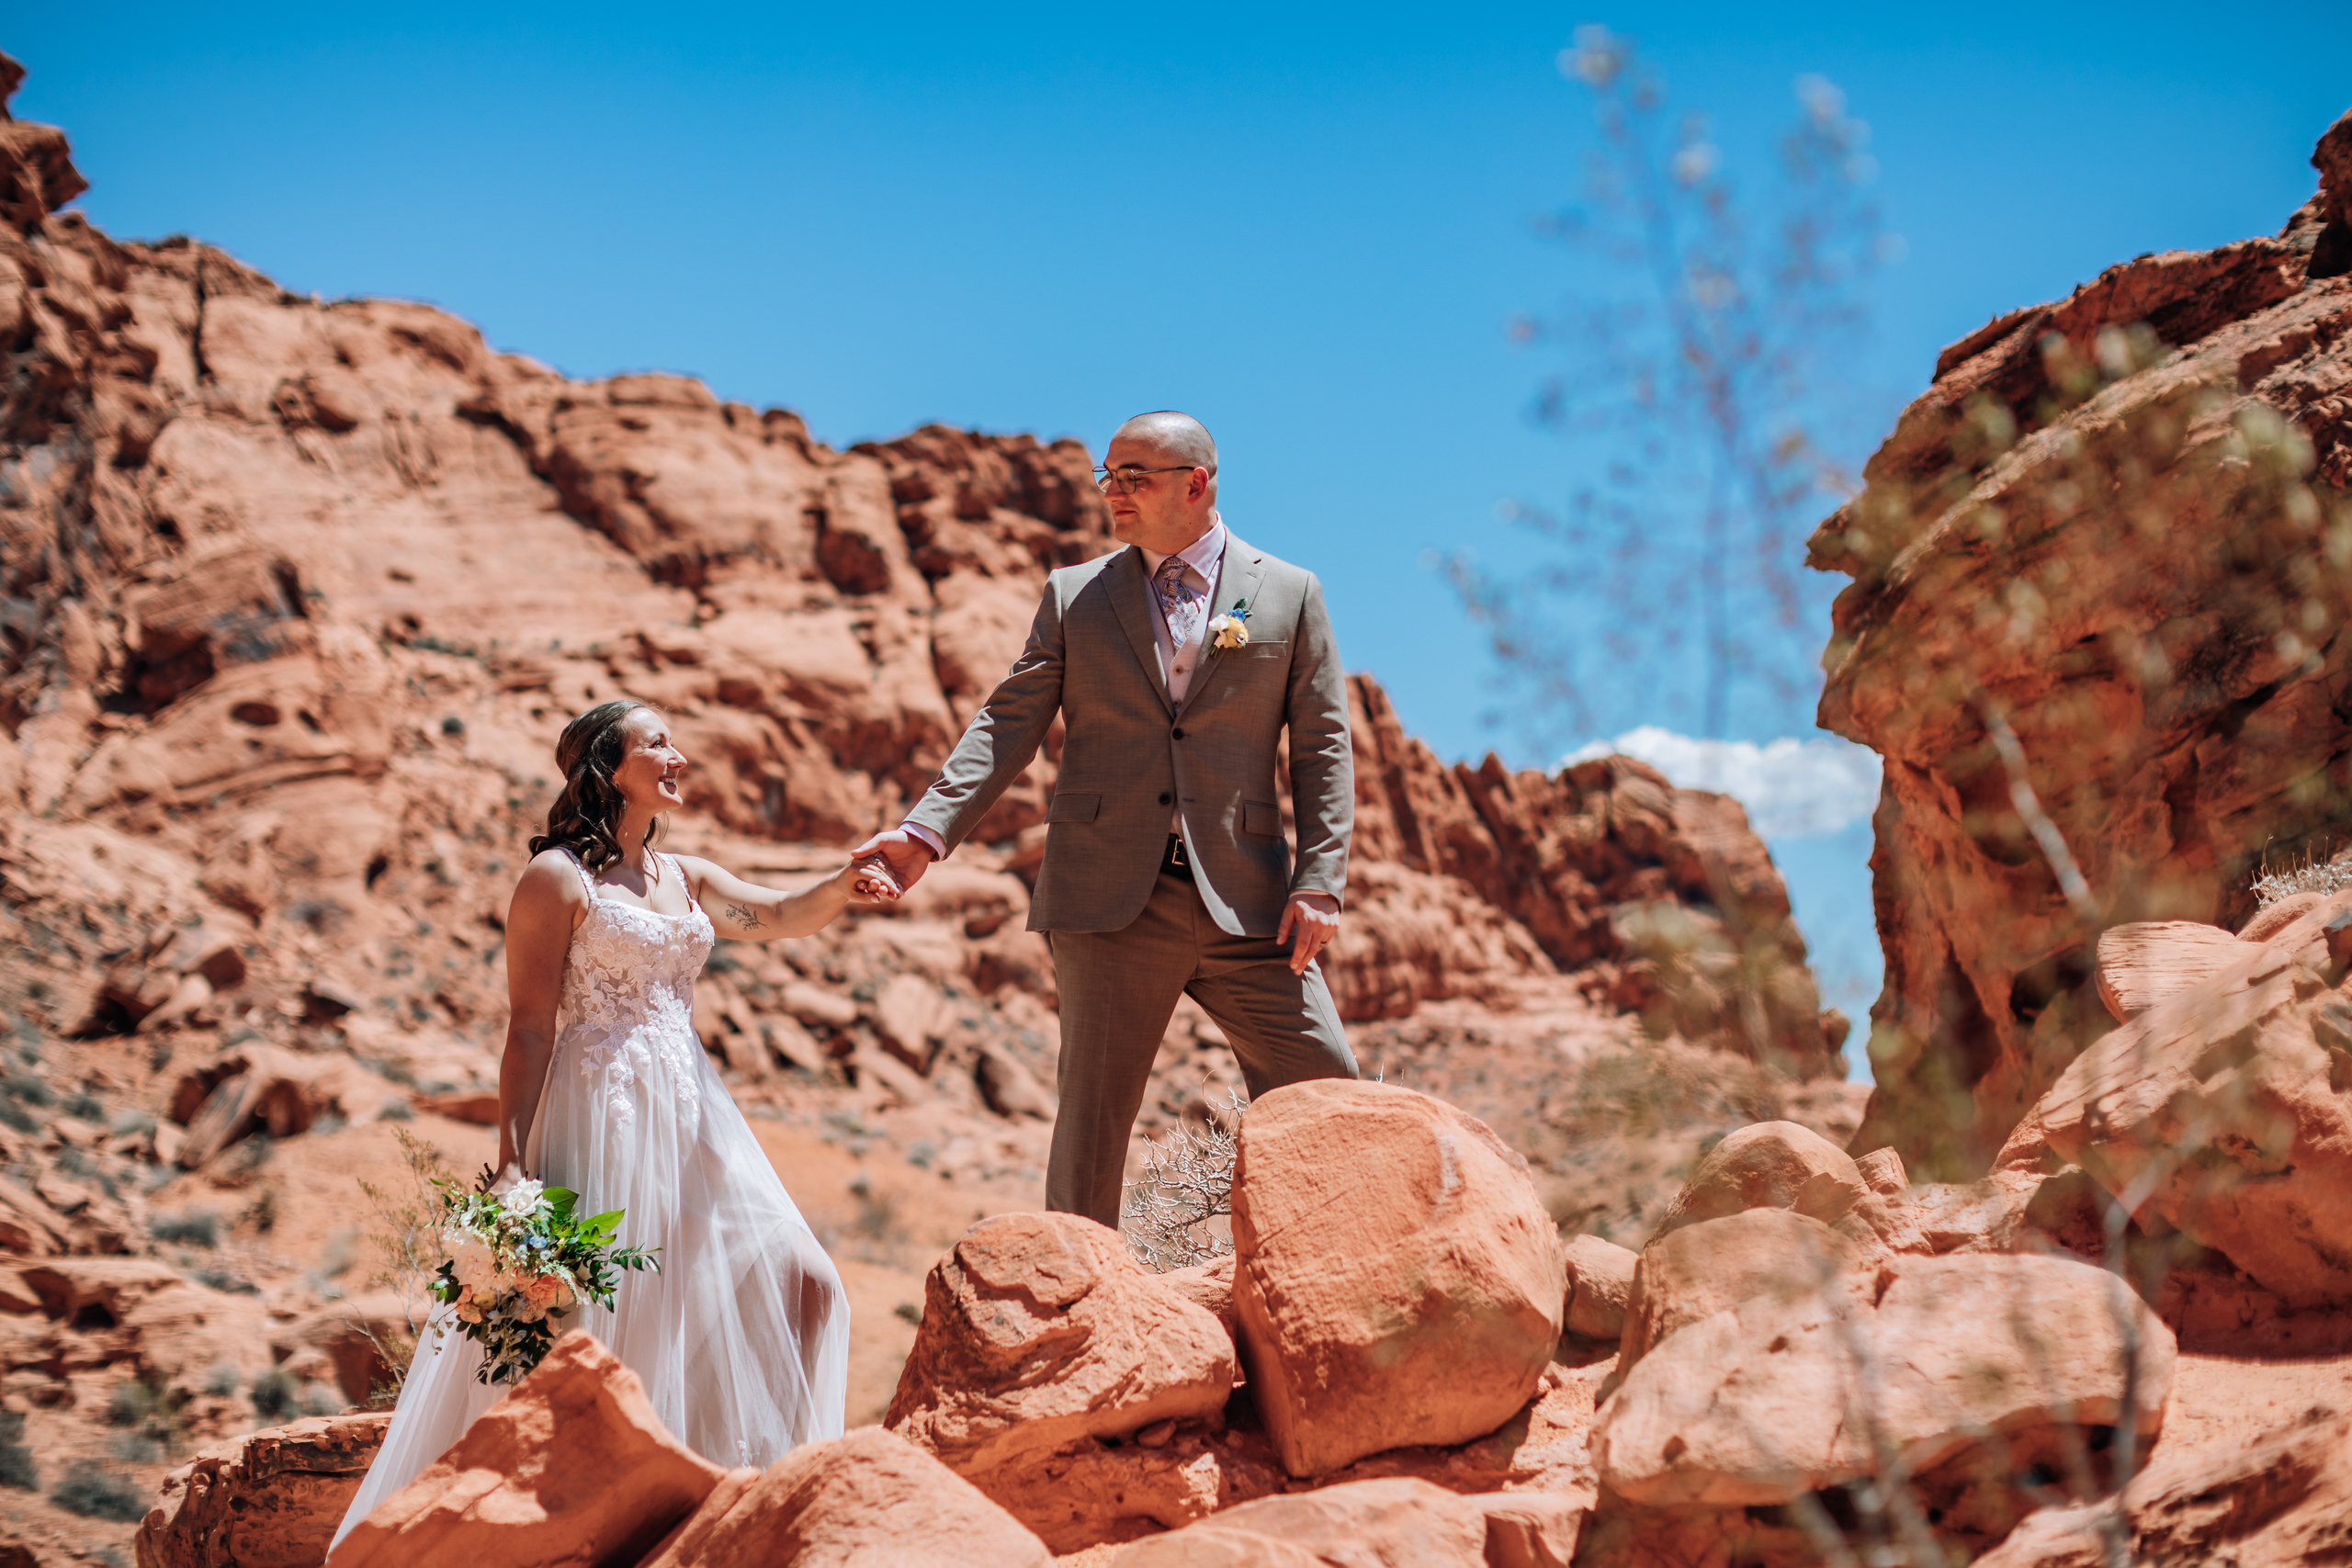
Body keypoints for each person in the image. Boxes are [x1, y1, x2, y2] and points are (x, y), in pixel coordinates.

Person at [334, 701, 876, 1544]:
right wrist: (511, 1165)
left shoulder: (686, 876)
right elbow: (527, 1026)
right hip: (601, 1117)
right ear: (607, 765)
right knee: (615, 1326)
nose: (679, 756)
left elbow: (775, 912)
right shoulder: (556, 879)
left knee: (806, 1280)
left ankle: (754, 1511)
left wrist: (846, 883)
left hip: (694, 1117)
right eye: (657, 742)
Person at [854, 411, 1360, 1227]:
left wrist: (1322, 880)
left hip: (1250, 901)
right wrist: (924, 832)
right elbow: (1007, 720)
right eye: (1108, 475)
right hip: (1108, 899)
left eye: (1135, 476)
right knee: (1090, 1136)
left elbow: (1324, 747)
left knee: (1329, 1087)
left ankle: (1327, 1277)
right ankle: (1081, 1316)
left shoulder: (1290, 593)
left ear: (1197, 484)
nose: (1113, 492)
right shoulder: (1075, 594)